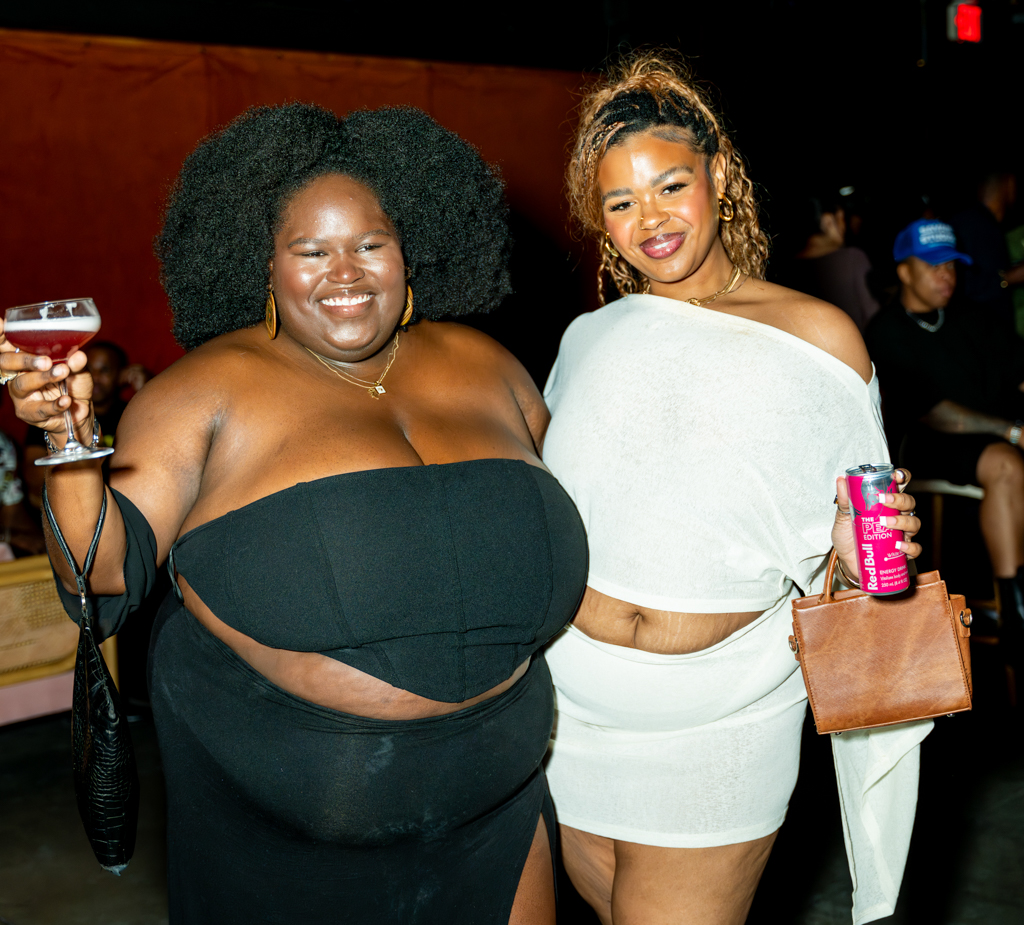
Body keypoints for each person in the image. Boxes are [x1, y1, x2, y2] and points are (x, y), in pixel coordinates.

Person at [0, 103, 586, 924]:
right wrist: (68, 438)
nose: (345, 273)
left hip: (500, 815)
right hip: (281, 855)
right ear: (264, 264)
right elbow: (96, 577)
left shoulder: (490, 366)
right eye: (311, 251)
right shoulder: (202, 393)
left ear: (410, 248)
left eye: (370, 244)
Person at [540, 52, 923, 925]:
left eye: (670, 186)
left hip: (721, 722)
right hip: (573, 714)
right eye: (620, 203)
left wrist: (852, 553)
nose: (650, 219)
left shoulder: (817, 336)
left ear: (718, 176)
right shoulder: (588, 337)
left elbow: (862, 579)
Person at [866, 218, 1024, 664]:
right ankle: (1016, 609)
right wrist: (1010, 430)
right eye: (933, 266)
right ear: (904, 271)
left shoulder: (972, 316)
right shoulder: (885, 330)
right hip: (925, 448)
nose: (946, 275)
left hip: (992, 439)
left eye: (951, 265)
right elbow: (932, 412)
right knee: (1006, 462)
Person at [784, 188, 880, 332]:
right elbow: (873, 317)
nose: (844, 226)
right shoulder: (852, 258)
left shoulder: (785, 271)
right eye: (841, 218)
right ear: (828, 221)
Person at [951, 167, 1024, 333]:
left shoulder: (988, 226)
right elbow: (958, 289)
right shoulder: (972, 224)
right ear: (1010, 183)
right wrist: (1008, 278)